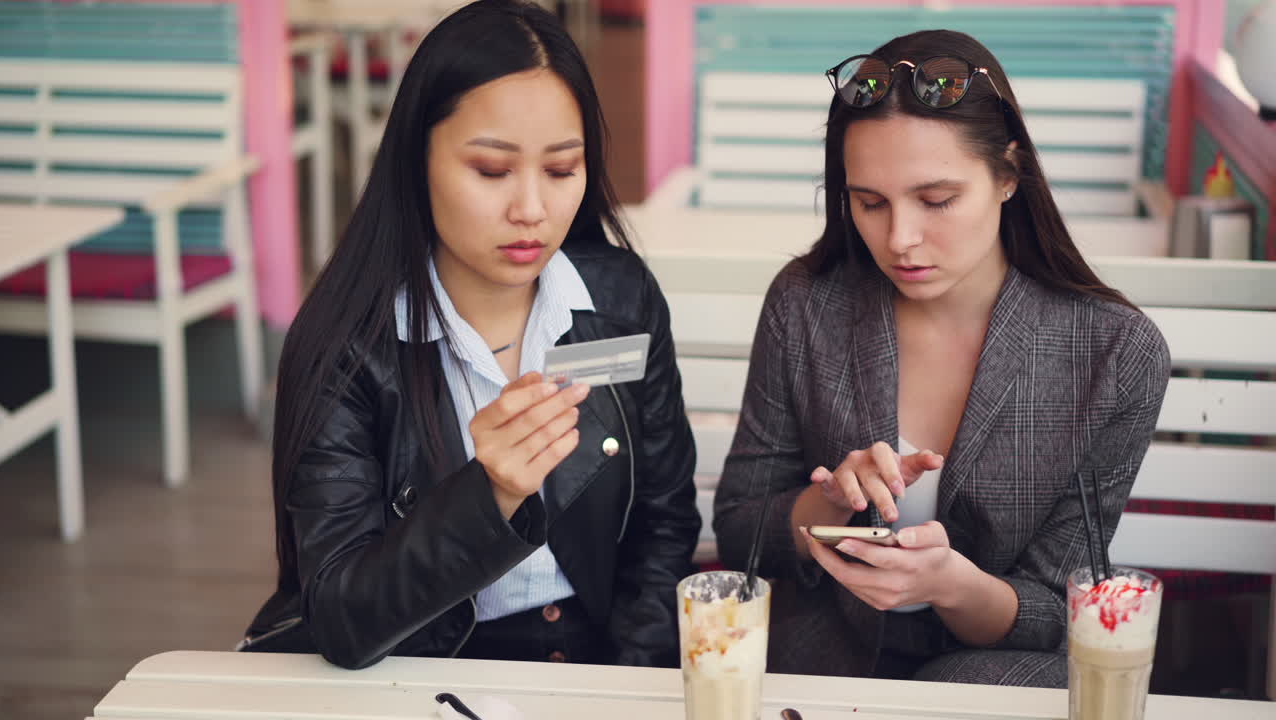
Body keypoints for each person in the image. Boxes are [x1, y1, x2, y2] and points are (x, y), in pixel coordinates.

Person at [238, 0, 700, 669]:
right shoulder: (348, 346)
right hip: (421, 669)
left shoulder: (619, 302)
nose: (532, 210)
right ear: (416, 157)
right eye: (490, 170)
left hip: (597, 658)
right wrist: (490, 496)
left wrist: (629, 684)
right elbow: (342, 616)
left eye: (562, 169)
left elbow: (663, 525)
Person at [713, 30, 1170, 687]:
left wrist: (952, 584)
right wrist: (830, 504)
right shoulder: (807, 305)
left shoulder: (1114, 353)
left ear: (1010, 174)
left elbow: (1057, 612)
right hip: (822, 669)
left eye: (936, 201)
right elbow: (738, 530)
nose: (899, 238)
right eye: (869, 203)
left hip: (994, 677)